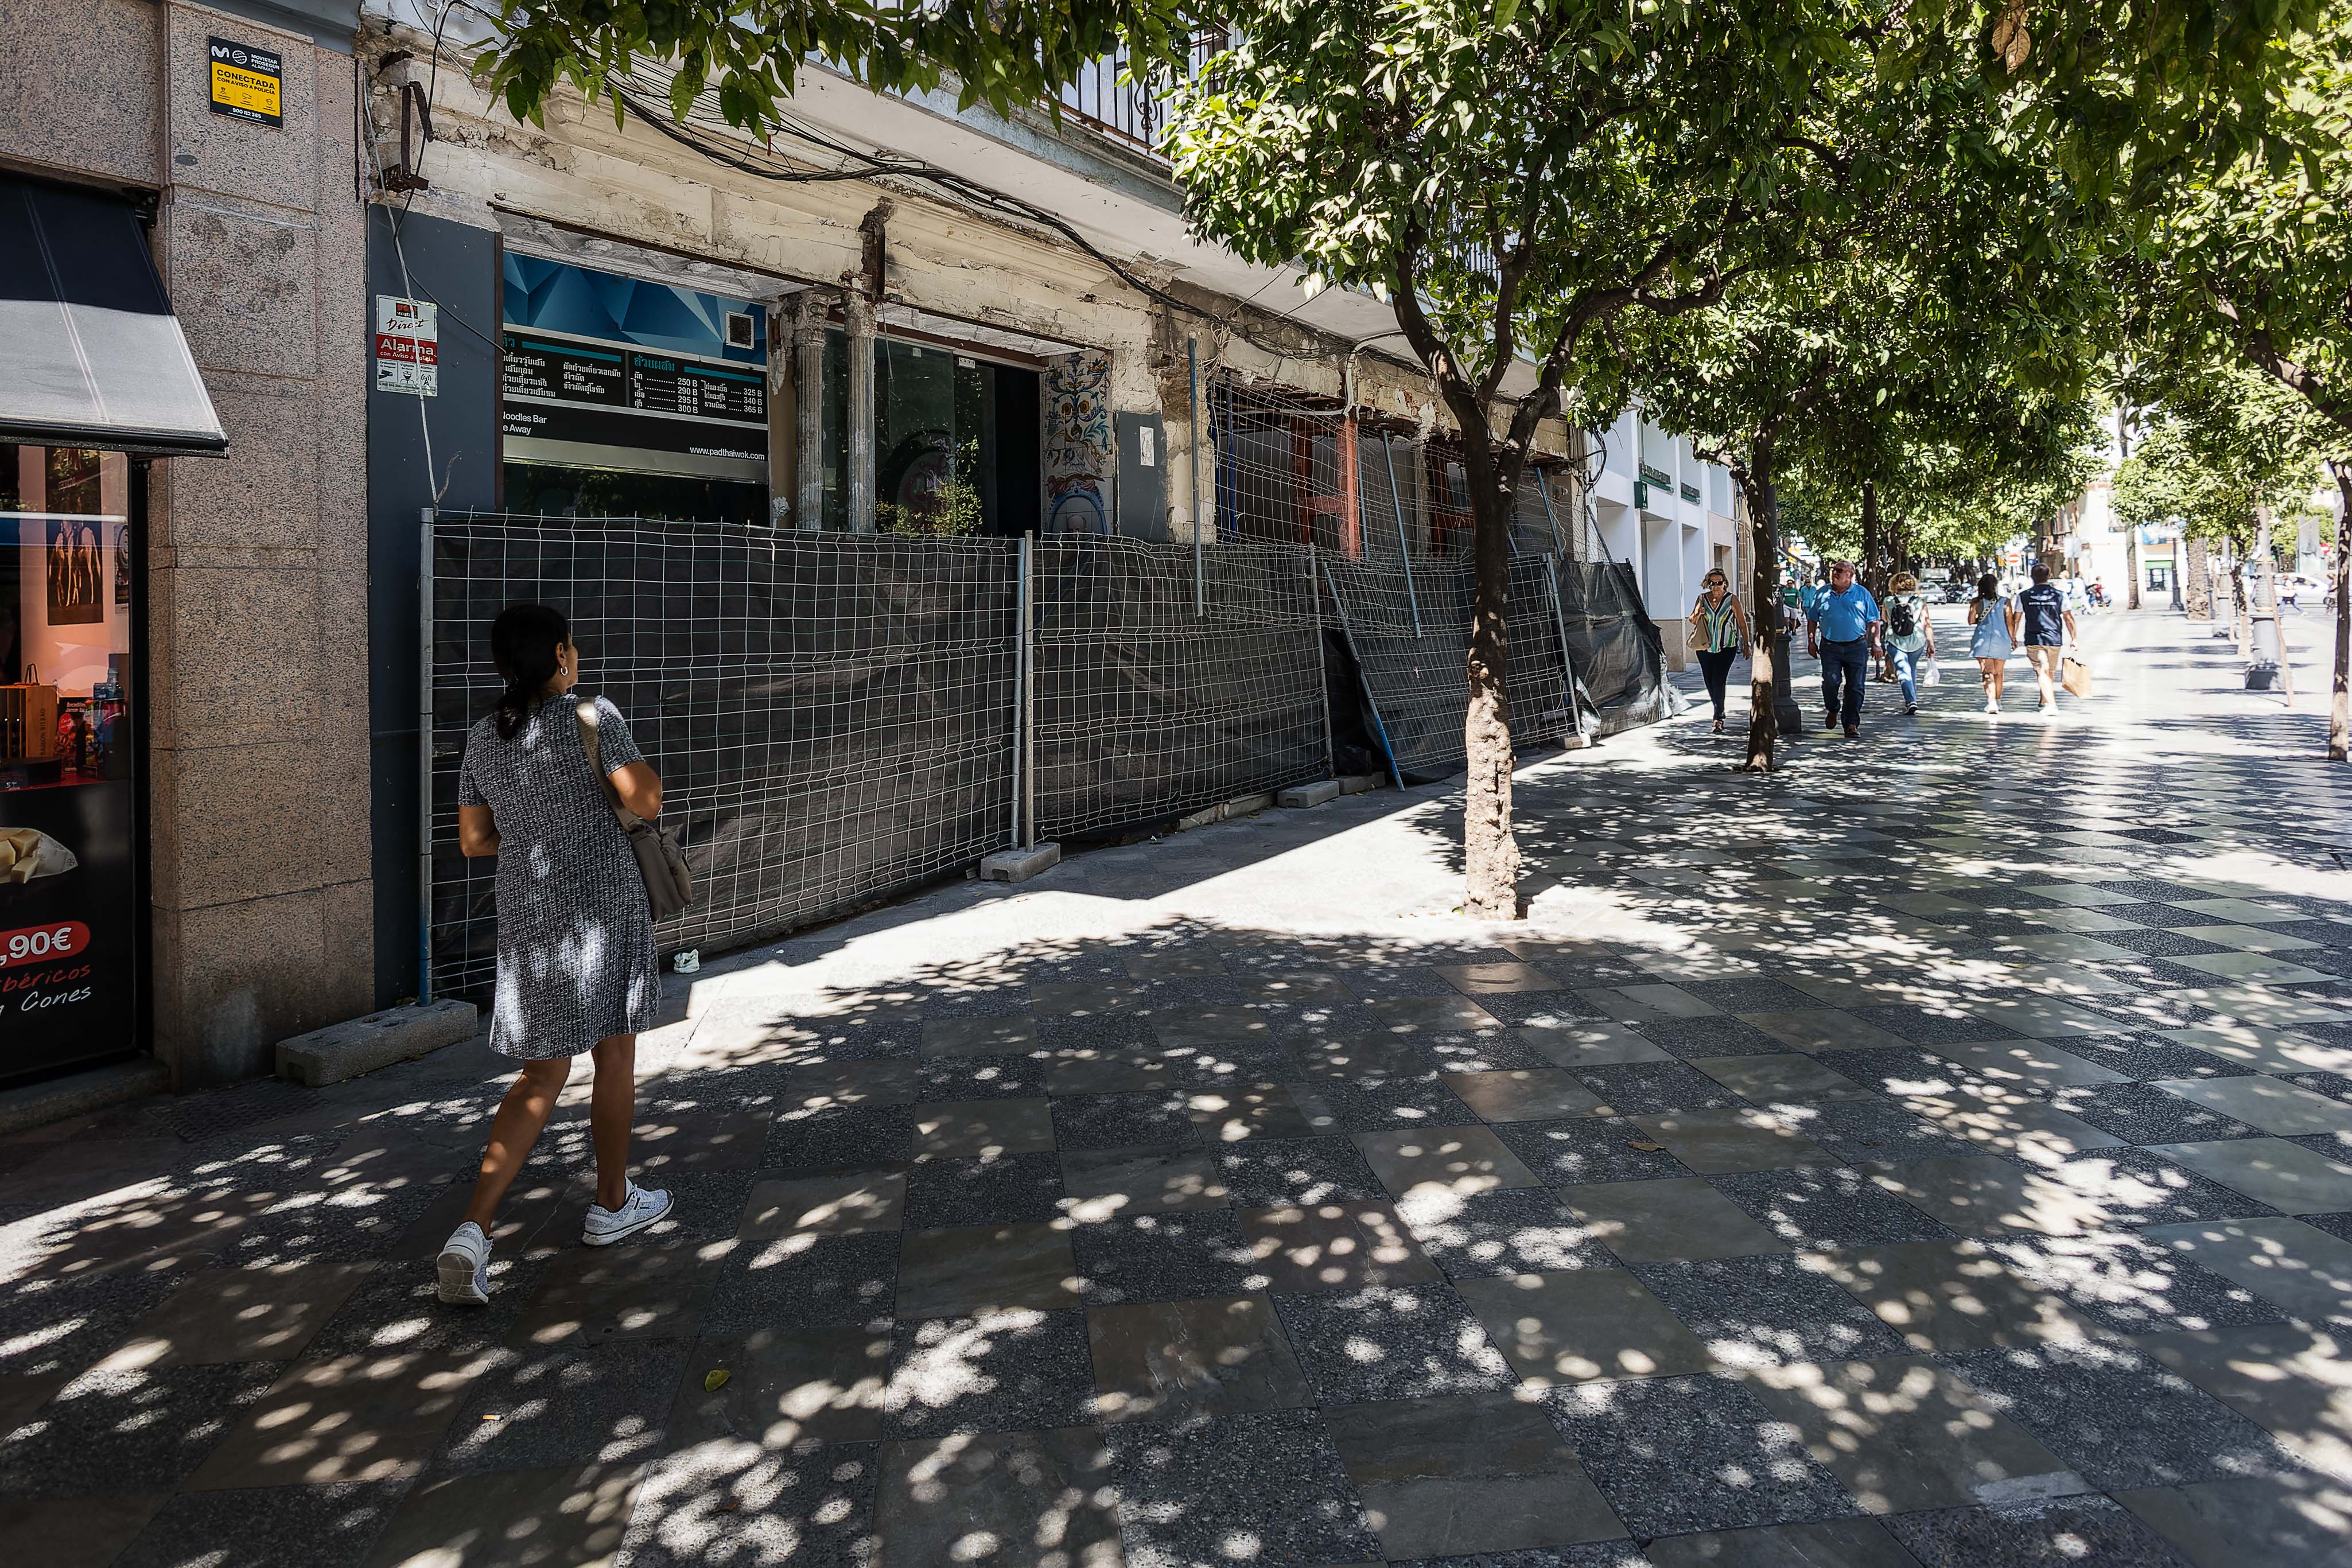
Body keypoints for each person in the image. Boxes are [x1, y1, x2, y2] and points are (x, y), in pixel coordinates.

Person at [437, 604, 672, 1305]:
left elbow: (475, 842)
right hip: (604, 908)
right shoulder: (591, 716)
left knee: (540, 1077)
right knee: (614, 1055)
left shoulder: (483, 737)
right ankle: (611, 1202)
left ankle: (473, 1232)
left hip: (530, 914)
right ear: (563, 655)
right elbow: (648, 801)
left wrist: (540, 836)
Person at [1805, 558, 1881, 738]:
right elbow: (1812, 619)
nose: (1835, 572)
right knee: (1831, 682)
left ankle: (1851, 724)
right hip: (1830, 646)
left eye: (1840, 570)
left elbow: (1874, 620)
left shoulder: (1862, 593)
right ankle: (1833, 708)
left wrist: (1876, 644)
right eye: (1834, 569)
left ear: (1850, 575)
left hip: (1856, 646)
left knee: (1856, 687)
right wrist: (1811, 641)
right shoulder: (1822, 593)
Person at [1686, 567, 1752, 735]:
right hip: (1705, 648)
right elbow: (1692, 620)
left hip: (1727, 647)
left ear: (1725, 584)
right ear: (1708, 584)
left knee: (1719, 680)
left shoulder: (1732, 600)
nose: (1716, 586)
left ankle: (1718, 717)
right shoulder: (1702, 599)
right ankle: (1719, 708)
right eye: (1712, 583)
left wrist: (1747, 644)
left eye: (1719, 583)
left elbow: (1742, 623)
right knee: (1709, 681)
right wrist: (1699, 613)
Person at [2017, 563, 2079, 714]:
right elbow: (2068, 617)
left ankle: (2051, 704)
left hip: (2034, 638)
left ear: (2032, 577)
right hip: (2054, 639)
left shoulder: (2024, 596)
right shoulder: (2060, 595)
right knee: (2046, 671)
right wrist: (2074, 638)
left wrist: (2013, 637)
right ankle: (2044, 702)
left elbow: (2016, 618)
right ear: (2050, 576)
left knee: (2045, 671)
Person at [1882, 571, 1937, 715]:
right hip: (1917, 641)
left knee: (1902, 671)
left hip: (1894, 641)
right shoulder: (1920, 601)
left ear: (1894, 584)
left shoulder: (1888, 601)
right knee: (1910, 669)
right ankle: (1912, 699)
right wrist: (1931, 644)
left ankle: (1911, 700)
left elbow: (1886, 620)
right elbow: (1927, 623)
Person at [1966, 571, 2020, 713]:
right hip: (2001, 639)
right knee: (1999, 673)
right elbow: (2010, 623)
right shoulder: (2005, 601)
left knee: (1987, 672)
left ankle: (1991, 702)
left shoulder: (1976, 602)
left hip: (1982, 639)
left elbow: (1971, 621)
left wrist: (1979, 615)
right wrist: (2013, 639)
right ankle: (1998, 700)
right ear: (1995, 586)